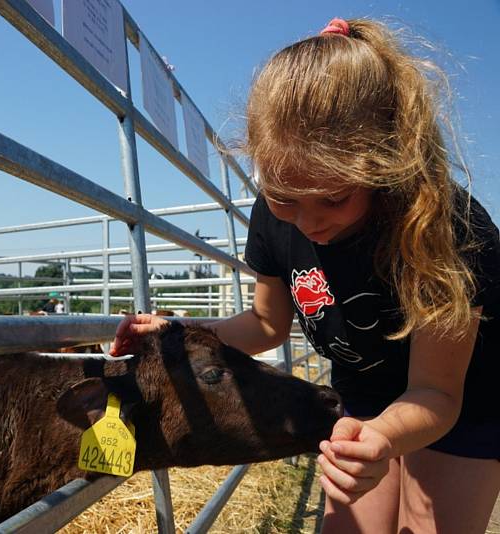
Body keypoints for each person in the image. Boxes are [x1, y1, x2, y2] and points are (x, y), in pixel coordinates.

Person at [110, 18, 500, 534]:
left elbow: (436, 392)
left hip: (461, 397)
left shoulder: (443, 226)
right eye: (284, 198)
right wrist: (180, 334)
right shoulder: (273, 219)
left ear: (383, 164)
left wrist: (383, 437)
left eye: (335, 199)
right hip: (363, 393)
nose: (310, 223)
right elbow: (265, 325)